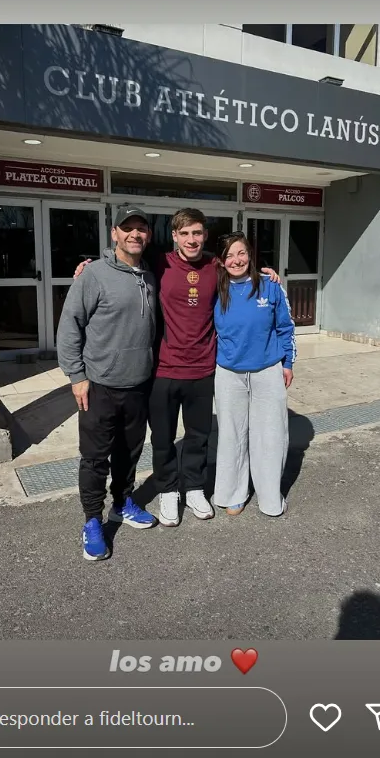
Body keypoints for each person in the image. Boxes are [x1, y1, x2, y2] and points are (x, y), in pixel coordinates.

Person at [74, 207, 279, 528]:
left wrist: (264, 273)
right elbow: (123, 260)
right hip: (163, 371)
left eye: (197, 233)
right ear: (174, 237)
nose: (191, 239)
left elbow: (240, 270)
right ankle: (169, 490)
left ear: (205, 235)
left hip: (203, 369)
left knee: (198, 436)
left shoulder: (215, 265)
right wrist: (89, 265)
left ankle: (195, 488)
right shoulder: (159, 262)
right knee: (163, 438)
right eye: (184, 233)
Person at [56, 206, 157, 562]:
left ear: (148, 235)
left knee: (129, 452)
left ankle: (123, 503)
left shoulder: (151, 272)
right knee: (95, 459)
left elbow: (197, 258)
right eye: (127, 228)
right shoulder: (93, 275)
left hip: (139, 383)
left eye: (141, 229)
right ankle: (92, 521)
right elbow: (70, 326)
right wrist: (76, 376)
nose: (134, 234)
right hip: (98, 385)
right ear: (114, 233)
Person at [213, 232, 296, 517]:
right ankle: (234, 493)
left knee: (270, 435)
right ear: (222, 261)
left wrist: (287, 363)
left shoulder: (270, 286)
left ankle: (270, 496)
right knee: (231, 435)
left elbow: (286, 327)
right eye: (229, 255)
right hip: (228, 373)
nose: (236, 260)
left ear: (250, 254)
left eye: (241, 253)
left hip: (267, 371)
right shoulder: (216, 287)